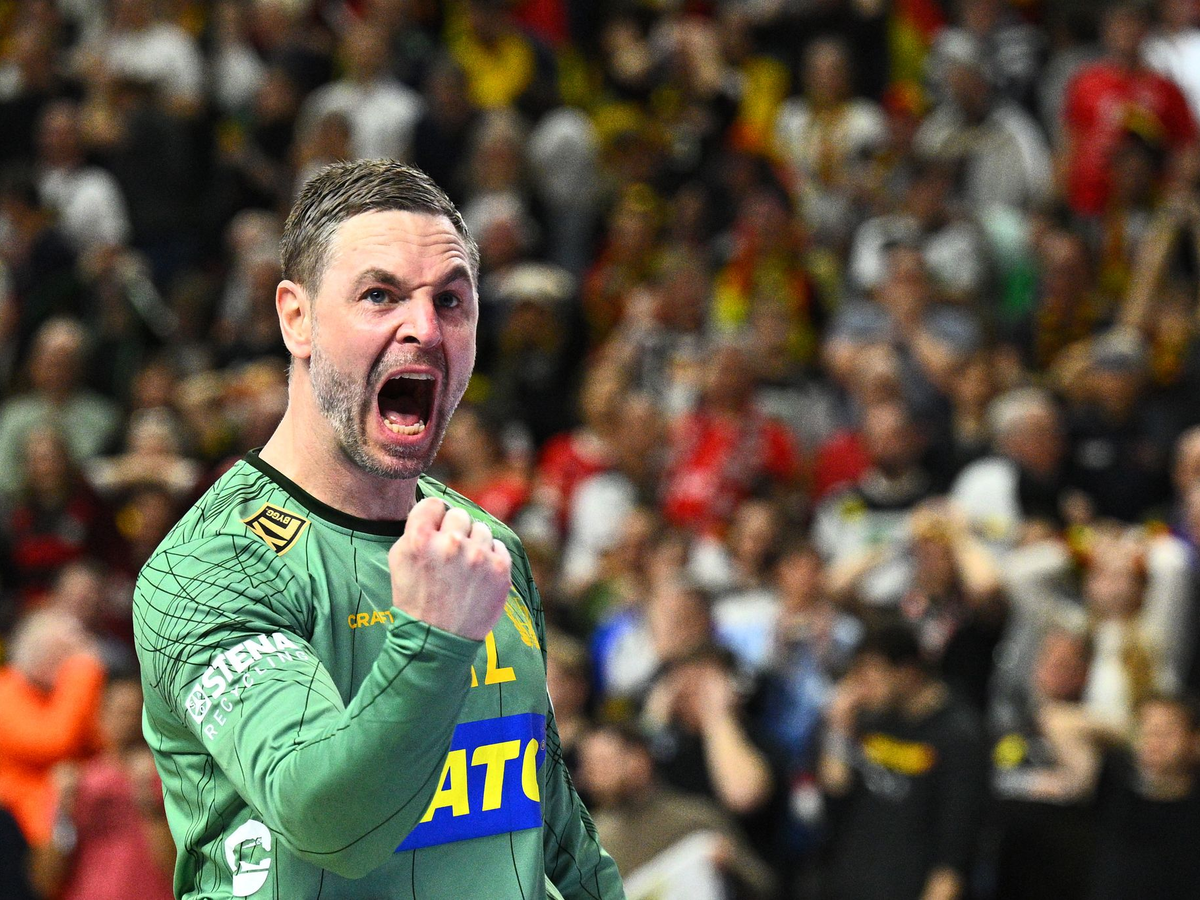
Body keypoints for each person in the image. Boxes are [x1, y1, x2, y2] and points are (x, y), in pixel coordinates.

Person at [132, 160, 624, 899]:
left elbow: (554, 826)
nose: (424, 328)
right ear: (296, 318)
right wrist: (433, 639)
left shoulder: (486, 546)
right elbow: (330, 821)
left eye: (450, 300)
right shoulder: (207, 568)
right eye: (379, 295)